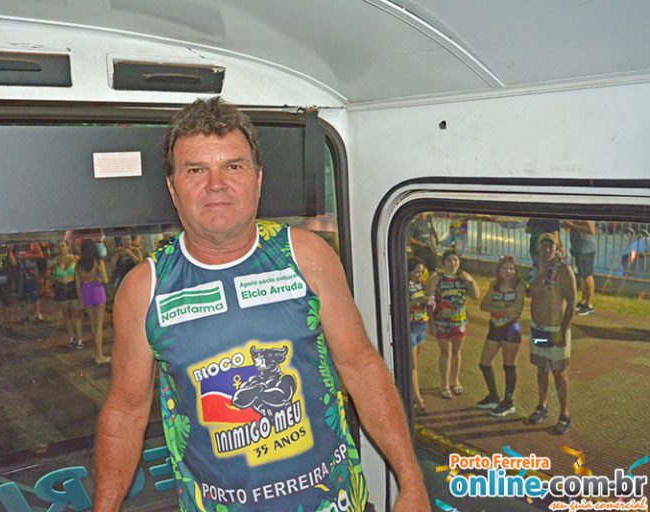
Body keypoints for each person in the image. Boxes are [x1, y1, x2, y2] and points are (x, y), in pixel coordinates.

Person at [93, 97, 428, 511]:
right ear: (172, 188)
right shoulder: (145, 288)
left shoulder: (306, 256)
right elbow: (126, 412)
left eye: (233, 166)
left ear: (258, 178)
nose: (216, 184)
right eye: (196, 170)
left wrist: (411, 483)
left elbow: (361, 367)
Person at [527, 233, 577, 435]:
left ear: (557, 249)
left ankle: (565, 414)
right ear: (538, 249)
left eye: (551, 247)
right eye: (543, 247)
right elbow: (530, 293)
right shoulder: (535, 270)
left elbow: (572, 303)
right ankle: (542, 405)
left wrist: (563, 331)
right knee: (542, 369)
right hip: (537, 329)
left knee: (559, 372)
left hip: (556, 330)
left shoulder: (564, 270)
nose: (547, 250)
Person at [476, 256, 526, 417]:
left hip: (511, 329)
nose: (508, 271)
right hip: (494, 327)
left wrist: (496, 309)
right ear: (499, 270)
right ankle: (493, 396)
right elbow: (483, 305)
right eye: (505, 268)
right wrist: (504, 309)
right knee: (484, 363)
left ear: (516, 271)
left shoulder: (519, 286)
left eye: (511, 268)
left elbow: (515, 311)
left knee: (509, 365)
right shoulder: (494, 284)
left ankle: (508, 402)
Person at [426, 249, 480, 399]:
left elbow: (475, 296)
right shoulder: (437, 278)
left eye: (455, 260)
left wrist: (470, 281)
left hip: (460, 321)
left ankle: (455, 381)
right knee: (446, 352)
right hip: (442, 322)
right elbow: (429, 302)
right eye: (449, 260)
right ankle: (444, 384)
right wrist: (431, 324)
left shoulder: (463, 278)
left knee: (457, 351)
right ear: (443, 262)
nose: (453, 263)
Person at [76, 239, 110, 364]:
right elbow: (105, 280)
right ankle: (99, 355)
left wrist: (80, 299)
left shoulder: (79, 264)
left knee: (92, 324)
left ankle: (96, 352)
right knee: (99, 325)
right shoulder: (98, 262)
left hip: (86, 291)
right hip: (97, 291)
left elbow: (77, 284)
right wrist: (97, 278)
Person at [407, 257, 429, 415]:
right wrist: (416, 301)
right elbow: (402, 305)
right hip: (411, 327)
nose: (419, 275)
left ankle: (412, 393)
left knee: (414, 364)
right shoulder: (404, 286)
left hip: (422, 325)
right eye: (416, 272)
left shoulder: (421, 285)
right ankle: (418, 399)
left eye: (421, 272)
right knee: (412, 365)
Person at [562, 220, 597, 316]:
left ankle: (589, 304)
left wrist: (572, 225)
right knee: (583, 276)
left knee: (587, 276)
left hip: (585, 248)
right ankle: (584, 301)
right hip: (579, 247)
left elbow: (591, 230)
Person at [52, 240, 83, 350]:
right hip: (61, 288)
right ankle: (71, 337)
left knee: (76, 314)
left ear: (67, 247)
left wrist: (80, 293)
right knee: (67, 316)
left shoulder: (75, 259)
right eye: (59, 247)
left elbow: (80, 275)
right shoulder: (55, 261)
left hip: (73, 287)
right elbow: (52, 277)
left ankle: (80, 338)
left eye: (63, 246)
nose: (61, 249)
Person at [17, 242, 45, 322]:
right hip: (19, 272)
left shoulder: (32, 242)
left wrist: (29, 256)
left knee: (34, 292)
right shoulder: (16, 243)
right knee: (21, 294)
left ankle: (36, 313)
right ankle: (24, 314)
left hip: (31, 271)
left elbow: (40, 255)